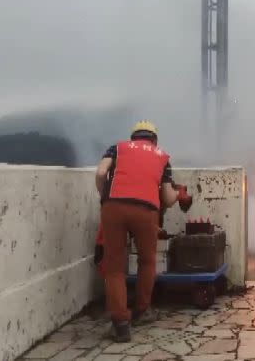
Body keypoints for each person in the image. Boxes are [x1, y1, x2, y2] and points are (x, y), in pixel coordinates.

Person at [94, 120, 181, 342]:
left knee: (114, 267)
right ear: (154, 140)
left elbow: (101, 172)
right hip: (146, 211)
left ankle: (121, 324)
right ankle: (142, 310)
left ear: (133, 137)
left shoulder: (118, 148)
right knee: (146, 261)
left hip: (114, 207)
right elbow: (168, 199)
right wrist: (180, 193)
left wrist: (105, 196)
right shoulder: (162, 157)